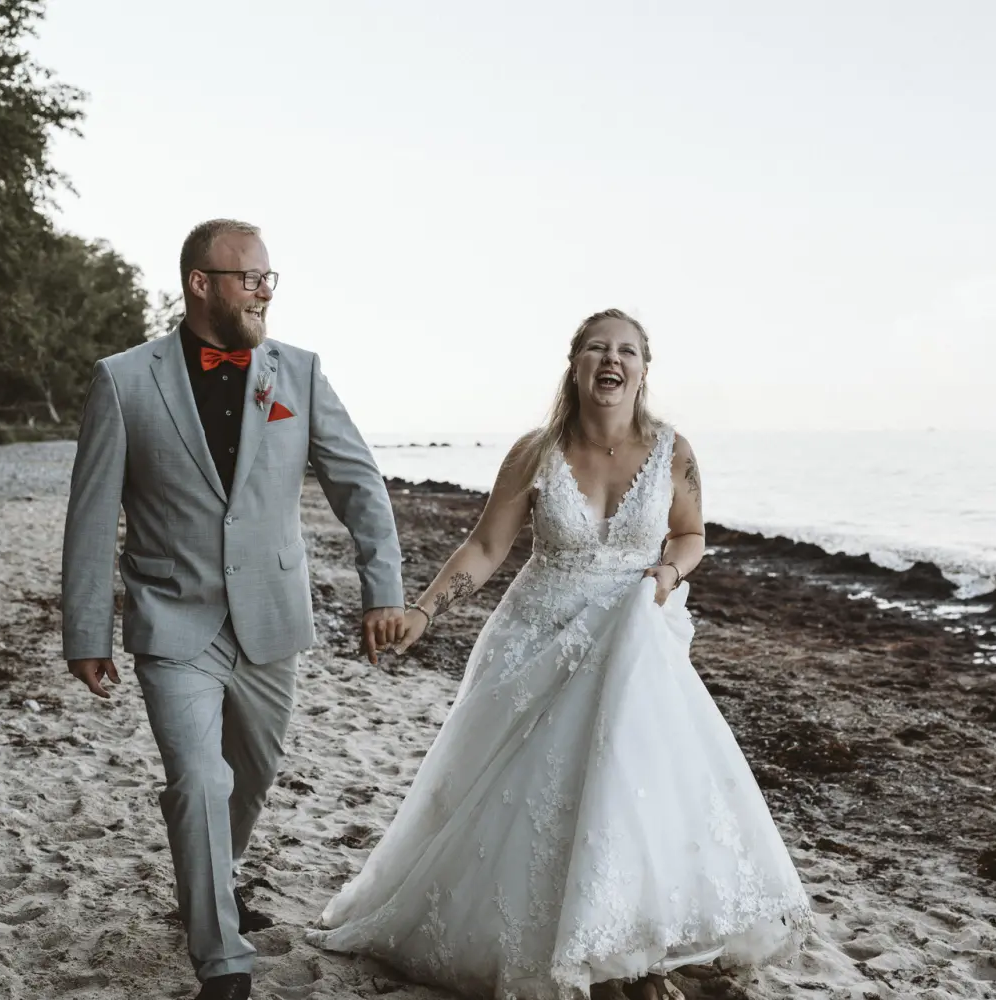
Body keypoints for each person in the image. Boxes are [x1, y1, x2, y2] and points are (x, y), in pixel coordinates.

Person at [308, 308, 812, 1000]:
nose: (612, 360)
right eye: (597, 349)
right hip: (537, 636)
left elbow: (691, 534)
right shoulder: (535, 452)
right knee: (533, 798)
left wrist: (668, 572)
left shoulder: (674, 451)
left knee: (630, 788)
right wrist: (424, 610)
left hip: (634, 636)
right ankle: (570, 952)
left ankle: (630, 953)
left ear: (643, 370)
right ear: (574, 364)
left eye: (627, 351)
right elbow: (486, 547)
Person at [61, 219, 407, 1000]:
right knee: (198, 780)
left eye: (267, 279)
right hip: (172, 617)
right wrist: (86, 629)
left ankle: (216, 877)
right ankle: (222, 963)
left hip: (271, 617)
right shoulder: (123, 379)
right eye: (249, 278)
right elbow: (92, 513)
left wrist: (381, 587)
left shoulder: (299, 373)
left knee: (251, 775)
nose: (263, 292)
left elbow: (359, 482)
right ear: (200, 283)